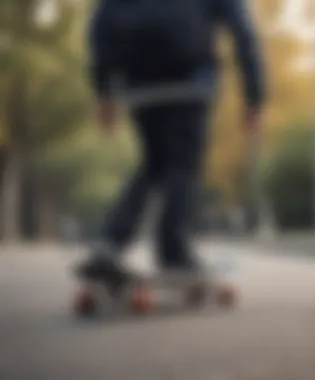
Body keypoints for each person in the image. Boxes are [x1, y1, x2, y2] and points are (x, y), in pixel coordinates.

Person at [76, 0, 266, 285]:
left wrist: (104, 90)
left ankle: (110, 242)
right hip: (191, 83)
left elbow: (100, 25)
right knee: (183, 165)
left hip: (140, 86)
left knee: (154, 163)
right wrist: (254, 96)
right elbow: (243, 31)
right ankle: (173, 253)